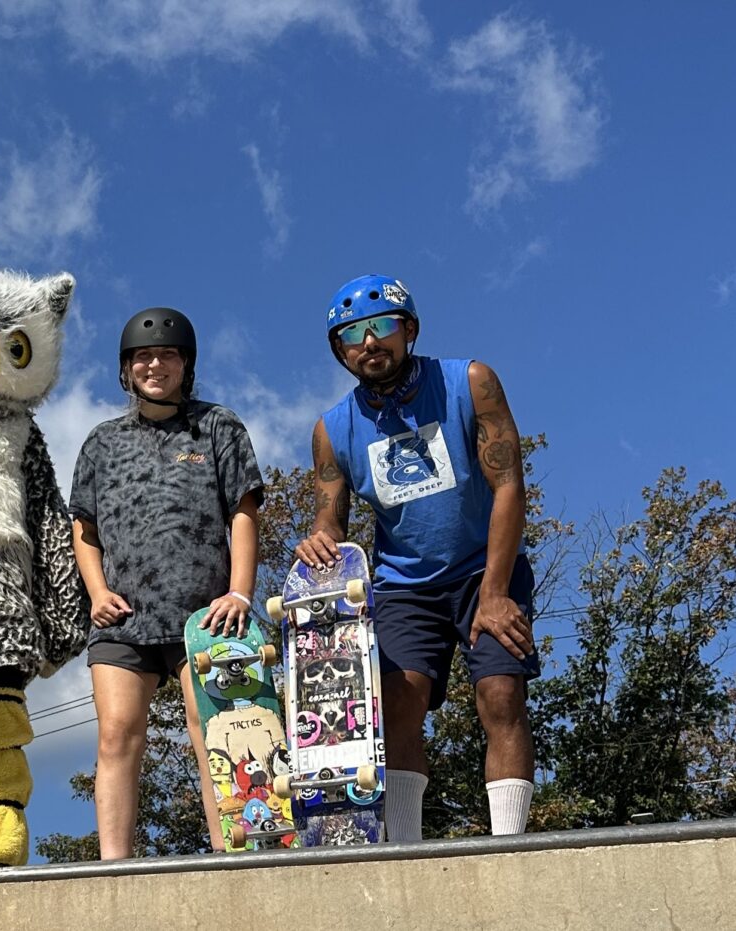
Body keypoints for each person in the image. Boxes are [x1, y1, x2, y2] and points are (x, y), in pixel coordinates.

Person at [295, 274, 537, 840]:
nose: (369, 342)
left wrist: (497, 593)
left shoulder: (469, 382)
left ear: (408, 330)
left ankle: (511, 850)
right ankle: (406, 854)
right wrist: (317, 539)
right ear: (340, 351)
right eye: (352, 335)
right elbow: (331, 520)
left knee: (500, 695)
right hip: (404, 583)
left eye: (382, 327)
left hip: (485, 568)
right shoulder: (332, 429)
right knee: (398, 707)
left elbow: (508, 485)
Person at [71, 307, 265, 856]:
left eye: (167, 355)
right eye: (143, 356)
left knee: (214, 734)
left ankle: (232, 854)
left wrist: (240, 592)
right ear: (127, 367)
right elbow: (83, 527)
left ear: (186, 364)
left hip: (205, 616)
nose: (155, 364)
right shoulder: (101, 442)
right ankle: (113, 868)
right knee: (116, 734)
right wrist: (96, 592)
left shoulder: (218, 426)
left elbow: (244, 512)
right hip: (122, 616)